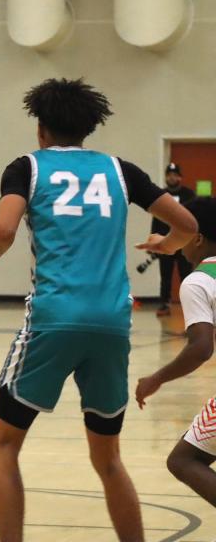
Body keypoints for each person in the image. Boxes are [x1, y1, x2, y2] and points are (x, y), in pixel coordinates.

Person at [0, 78, 198, 542]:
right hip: (113, 323)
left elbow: (2, 231)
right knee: (108, 458)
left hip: (54, 318)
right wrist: (165, 244)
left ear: (40, 128)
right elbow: (188, 226)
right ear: (88, 128)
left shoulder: (26, 168)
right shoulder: (120, 170)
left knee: (4, 445)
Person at [135, 198, 216, 504]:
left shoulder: (198, 281)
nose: (175, 235)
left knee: (183, 461)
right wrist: (167, 243)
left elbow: (201, 348)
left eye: (180, 231)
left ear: (196, 237)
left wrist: (156, 378)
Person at [153, 163, 196, 316]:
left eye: (175, 174)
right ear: (166, 177)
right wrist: (154, 241)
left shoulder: (189, 195)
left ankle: (190, 305)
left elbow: (194, 219)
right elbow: (156, 219)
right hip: (165, 243)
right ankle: (164, 304)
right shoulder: (161, 194)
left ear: (180, 177)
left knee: (186, 276)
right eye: (169, 174)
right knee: (165, 276)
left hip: (184, 243)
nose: (172, 177)